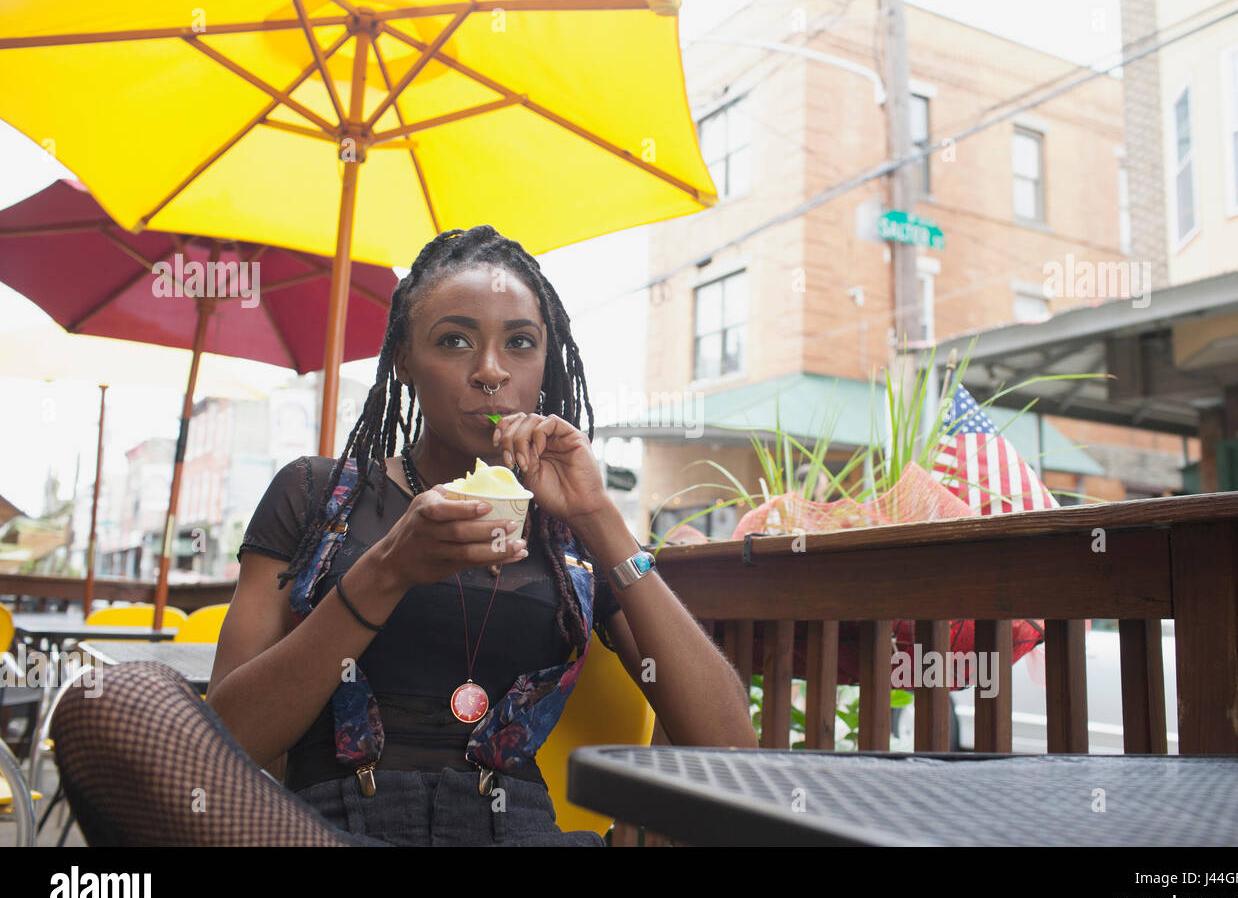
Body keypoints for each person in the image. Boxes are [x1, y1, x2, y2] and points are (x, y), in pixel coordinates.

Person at [51, 225, 757, 847]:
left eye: (520, 342)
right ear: (402, 362)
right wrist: (385, 572)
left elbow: (730, 753)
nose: (490, 370)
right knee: (106, 702)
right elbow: (228, 746)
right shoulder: (316, 494)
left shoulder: (572, 533)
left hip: (514, 830)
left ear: (545, 364)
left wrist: (601, 519)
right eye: (454, 340)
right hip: (330, 829)